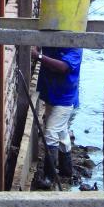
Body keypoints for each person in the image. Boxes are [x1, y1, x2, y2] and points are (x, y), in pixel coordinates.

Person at [31, 46, 83, 187]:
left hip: (65, 99)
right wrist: (37, 47)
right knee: (61, 132)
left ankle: (49, 177)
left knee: (51, 133)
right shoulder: (54, 41)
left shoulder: (75, 48)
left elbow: (63, 67)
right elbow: (41, 43)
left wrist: (38, 56)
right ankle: (66, 170)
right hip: (52, 94)